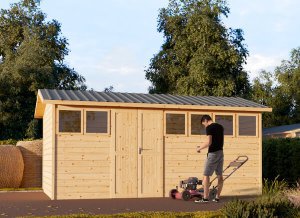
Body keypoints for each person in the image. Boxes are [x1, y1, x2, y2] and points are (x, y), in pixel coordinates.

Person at [195, 115, 224, 203]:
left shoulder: (209, 127)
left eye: (204, 124)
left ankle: (205, 198)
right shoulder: (220, 127)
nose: (205, 126)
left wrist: (199, 148)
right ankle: (217, 197)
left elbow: (209, 142)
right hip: (220, 152)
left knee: (206, 175)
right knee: (219, 175)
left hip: (213, 154)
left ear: (206, 120)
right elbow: (218, 140)